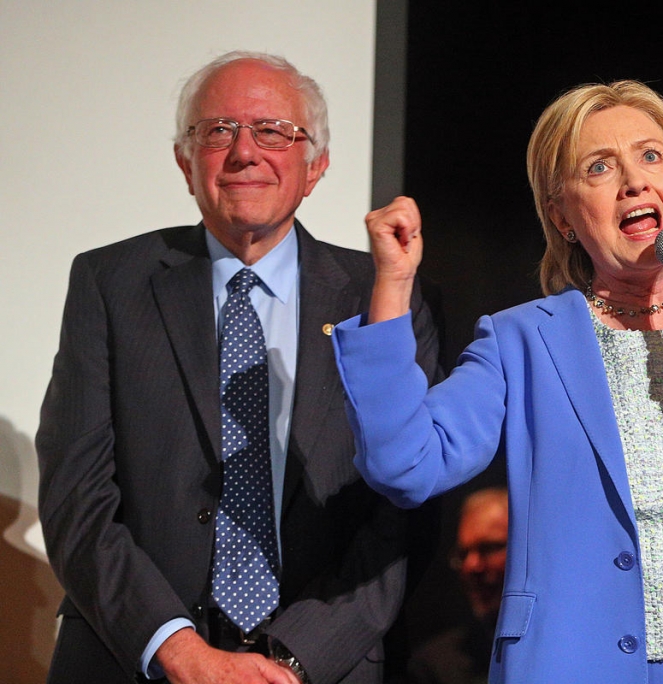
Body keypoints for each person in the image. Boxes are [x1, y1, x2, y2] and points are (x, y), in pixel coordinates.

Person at [331, 81, 663, 683]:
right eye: (599, 167)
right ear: (561, 215)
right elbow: (405, 464)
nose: (634, 182)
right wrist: (391, 287)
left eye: (650, 155)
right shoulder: (523, 341)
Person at [36, 51, 442, 684]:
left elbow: (404, 508)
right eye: (218, 130)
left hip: (319, 666)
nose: (244, 152)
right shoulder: (109, 283)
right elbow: (76, 498)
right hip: (131, 658)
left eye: (274, 131)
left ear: (316, 167)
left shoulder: (383, 293)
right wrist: (177, 649)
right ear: (184, 161)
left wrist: (292, 658)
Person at [406, 487, 508, 684]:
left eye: (488, 547)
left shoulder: (571, 644)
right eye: (463, 554)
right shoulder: (434, 666)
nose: (471, 566)